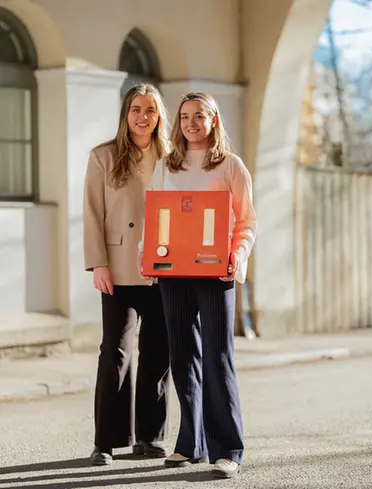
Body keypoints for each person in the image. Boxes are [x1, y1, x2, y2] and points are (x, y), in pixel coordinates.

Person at [138, 92, 257, 479]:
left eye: (199, 116)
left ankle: (228, 449)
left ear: (214, 121)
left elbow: (246, 223)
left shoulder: (230, 166)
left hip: (216, 273)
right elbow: (152, 214)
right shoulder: (166, 165)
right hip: (173, 272)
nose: (191, 123)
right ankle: (190, 444)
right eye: (186, 116)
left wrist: (236, 258)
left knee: (217, 357)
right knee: (182, 356)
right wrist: (146, 256)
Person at [83, 83, 170, 466]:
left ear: (158, 116)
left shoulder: (172, 156)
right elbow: (91, 213)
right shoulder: (103, 155)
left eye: (150, 110)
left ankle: (150, 437)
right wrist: (97, 263)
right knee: (115, 352)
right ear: (126, 113)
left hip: (164, 266)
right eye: (136, 109)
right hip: (118, 267)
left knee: (158, 352)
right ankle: (107, 440)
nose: (142, 117)